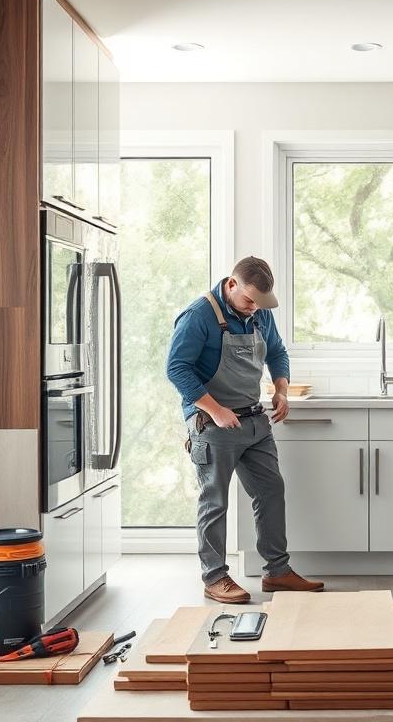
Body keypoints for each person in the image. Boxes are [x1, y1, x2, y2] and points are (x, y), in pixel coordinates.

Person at [166, 256, 323, 603]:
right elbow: (177, 369)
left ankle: (277, 572)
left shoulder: (260, 312)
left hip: (254, 421)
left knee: (270, 491)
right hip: (213, 423)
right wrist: (216, 410)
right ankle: (214, 577)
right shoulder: (199, 316)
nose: (254, 308)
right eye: (249, 300)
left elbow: (277, 352)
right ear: (231, 285)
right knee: (215, 501)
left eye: (260, 303)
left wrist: (281, 390)